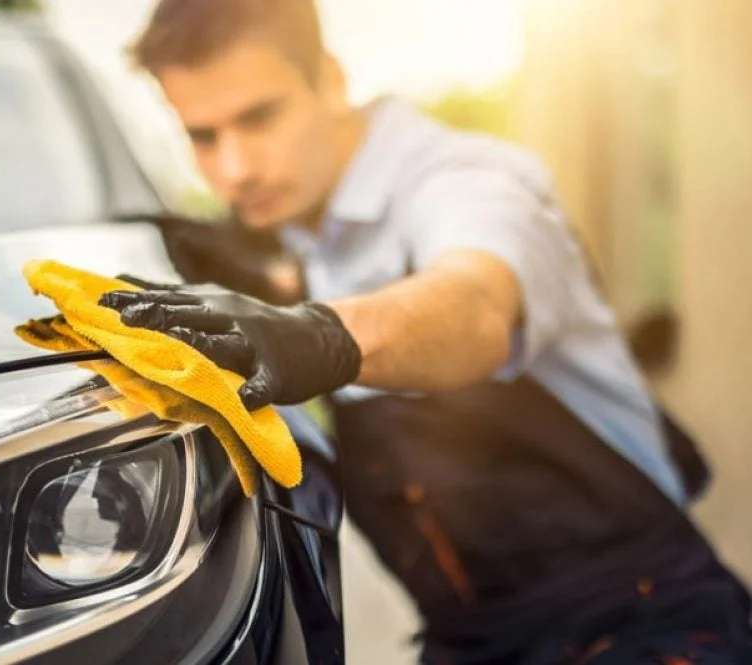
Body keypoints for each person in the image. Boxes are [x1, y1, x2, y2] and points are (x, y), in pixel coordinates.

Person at [99, 0, 752, 663]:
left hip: (642, 621)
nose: (235, 169)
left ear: (329, 78)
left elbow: (473, 306)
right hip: (469, 641)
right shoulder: (300, 233)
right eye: (203, 137)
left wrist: (318, 336)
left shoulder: (469, 181)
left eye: (259, 117)